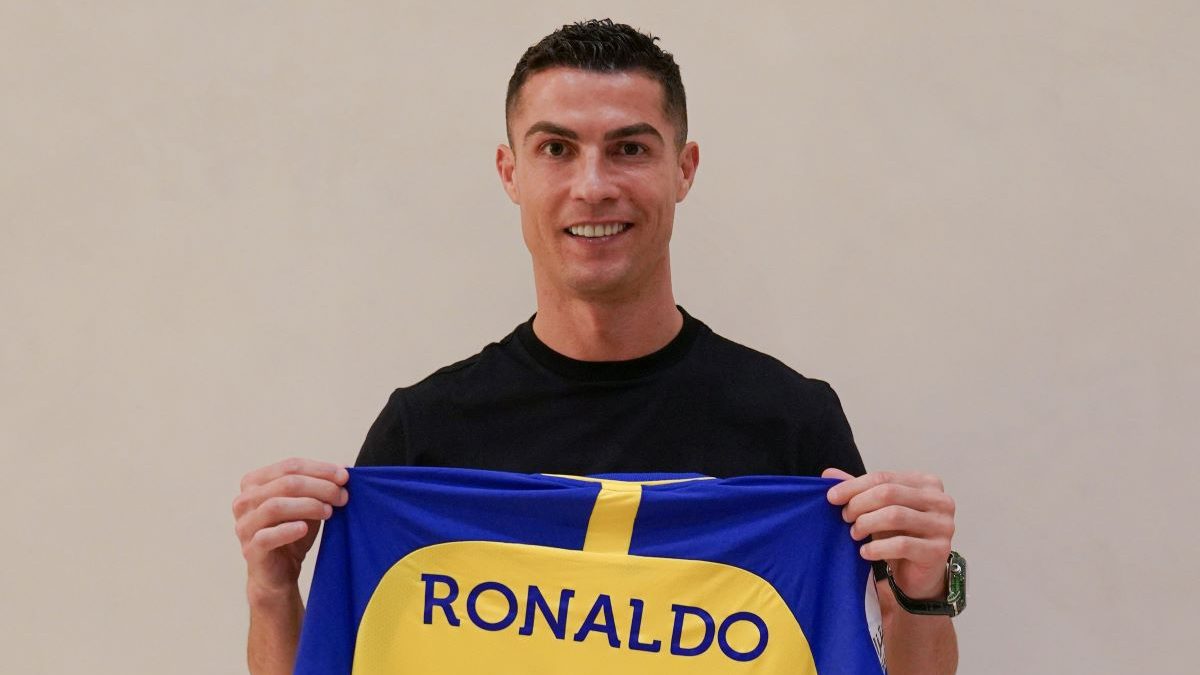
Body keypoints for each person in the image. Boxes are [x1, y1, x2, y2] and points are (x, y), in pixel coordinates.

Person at [232, 19, 959, 674]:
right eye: (556, 149)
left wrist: (925, 587)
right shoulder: (423, 431)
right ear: (511, 172)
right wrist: (272, 591)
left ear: (684, 168)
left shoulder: (792, 420)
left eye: (629, 149)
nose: (593, 185)